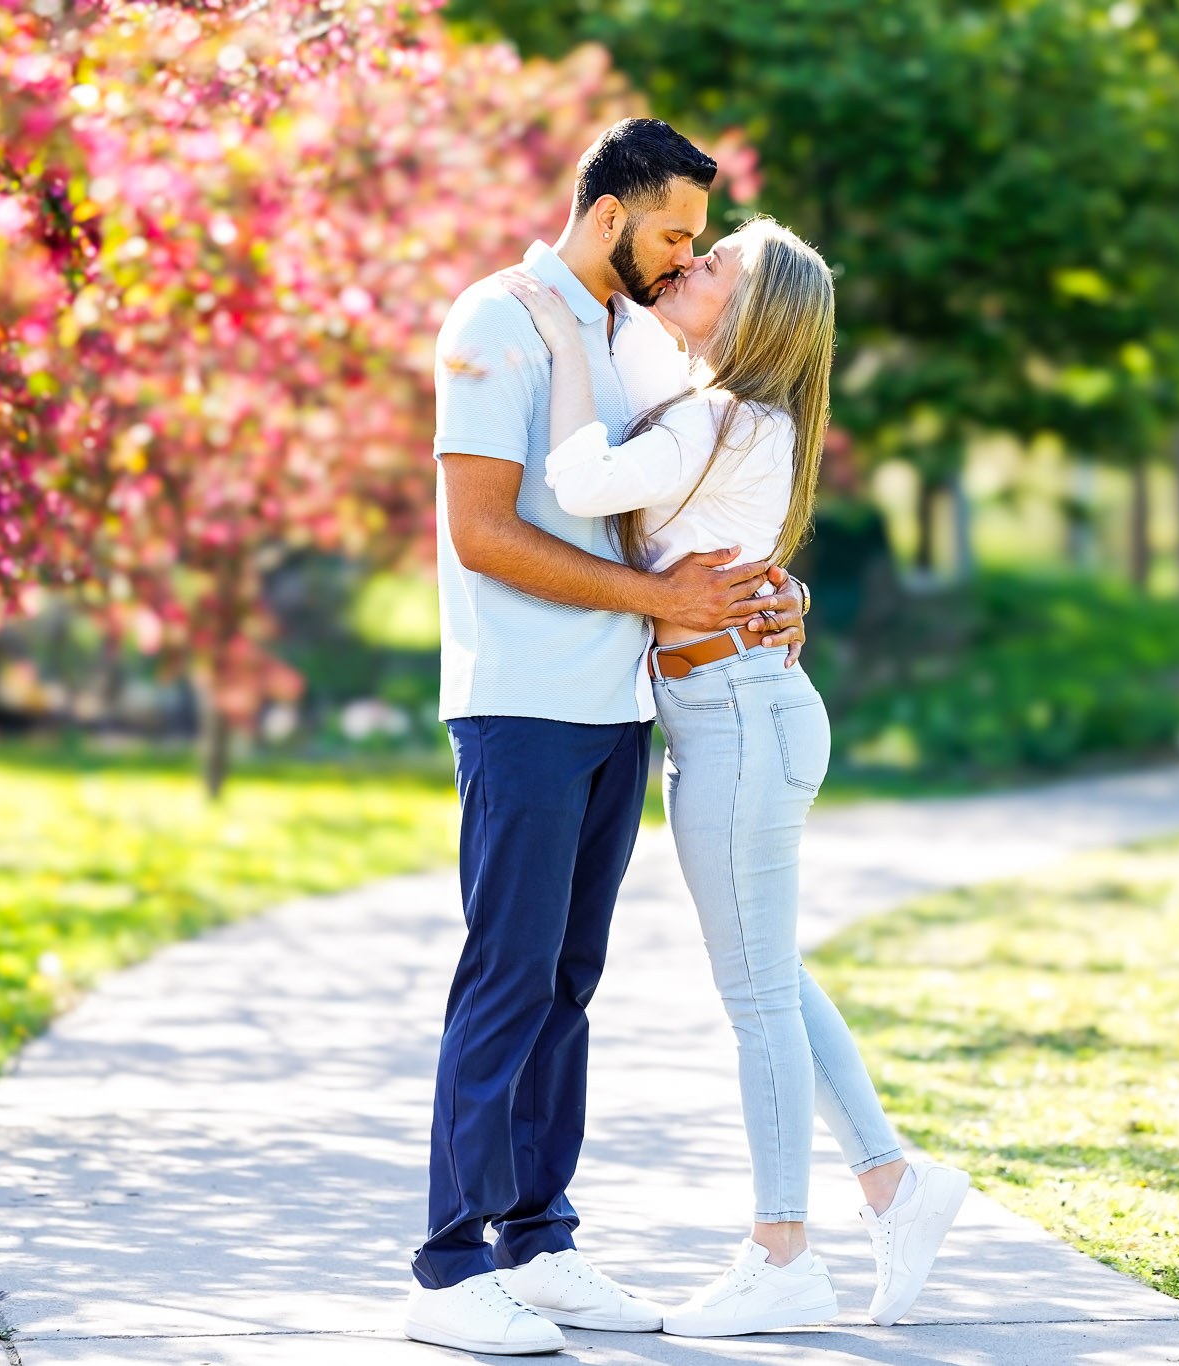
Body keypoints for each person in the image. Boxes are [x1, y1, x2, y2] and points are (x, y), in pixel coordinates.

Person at [497, 215, 971, 1339]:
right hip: (734, 715)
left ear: (751, 313)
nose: (690, 264)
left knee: (756, 993)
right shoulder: (735, 418)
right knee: (773, 978)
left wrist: (564, 345)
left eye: (716, 265)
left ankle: (781, 1252)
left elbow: (575, 482)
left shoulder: (719, 417)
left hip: (739, 719)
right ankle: (892, 1187)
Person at [403, 119, 810, 1356]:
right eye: (675, 233)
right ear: (609, 213)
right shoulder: (495, 320)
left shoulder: (631, 338)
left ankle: (538, 1241)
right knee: (506, 972)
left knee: (569, 984)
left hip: (619, 704)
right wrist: (662, 602)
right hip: (520, 702)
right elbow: (483, 530)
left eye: (699, 241)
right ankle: (446, 1265)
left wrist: (768, 588)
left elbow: (681, 504)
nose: (687, 257)